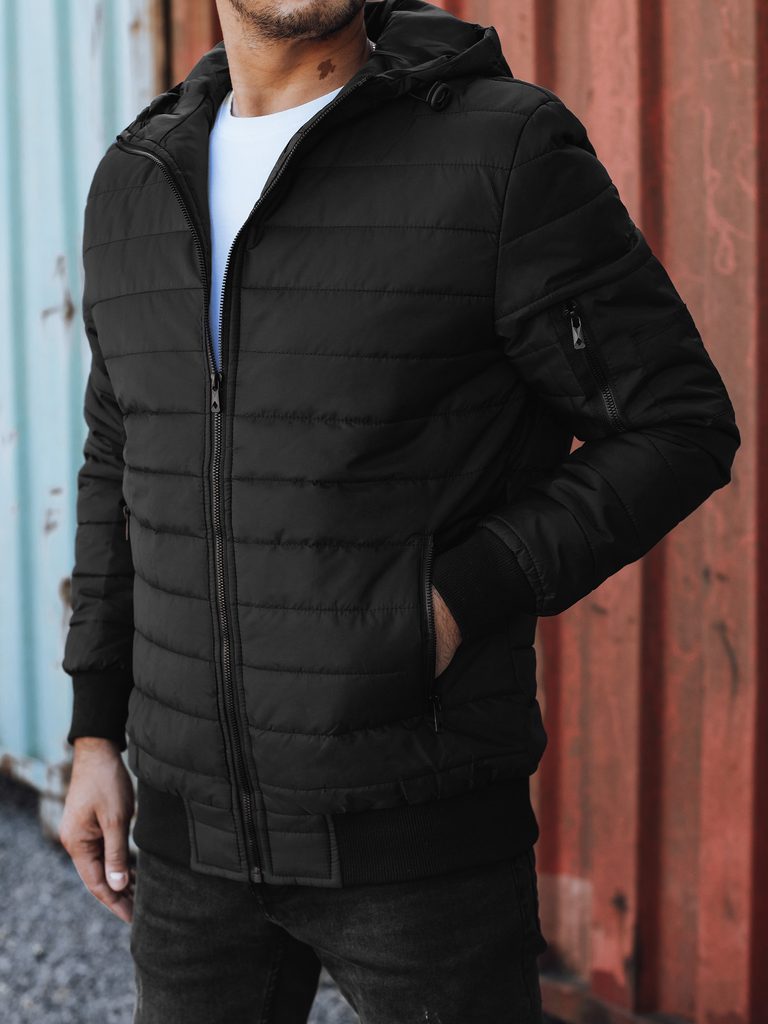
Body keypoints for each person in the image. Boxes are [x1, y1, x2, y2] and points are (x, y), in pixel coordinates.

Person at [58, 0, 740, 1021]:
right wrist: (93, 731)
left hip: (421, 842)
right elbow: (119, 457)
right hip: (191, 849)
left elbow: (677, 423)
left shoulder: (501, 152)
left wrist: (457, 599)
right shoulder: (136, 178)